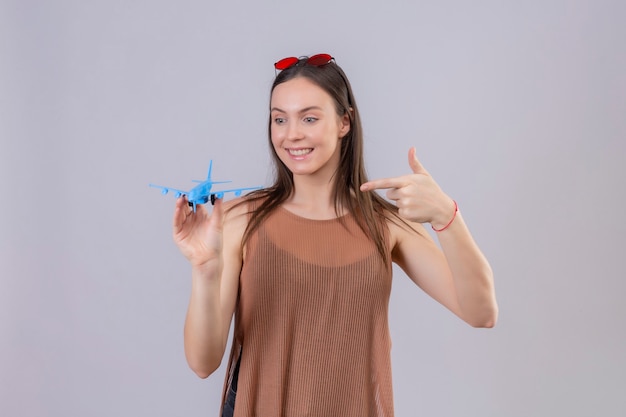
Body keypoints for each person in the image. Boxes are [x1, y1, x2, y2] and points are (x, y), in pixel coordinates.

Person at [172, 53, 498, 417]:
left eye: (309, 118)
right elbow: (203, 363)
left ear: (345, 122)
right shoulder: (239, 219)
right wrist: (203, 270)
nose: (291, 134)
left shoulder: (385, 226)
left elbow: (480, 312)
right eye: (279, 119)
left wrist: (445, 216)